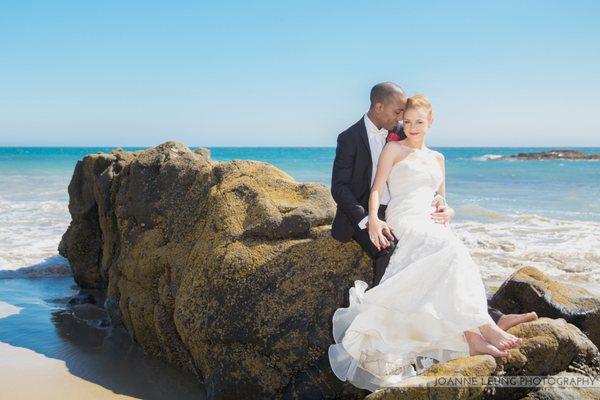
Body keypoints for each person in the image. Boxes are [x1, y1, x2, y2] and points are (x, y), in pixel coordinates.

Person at [328, 94, 538, 392]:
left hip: (430, 219)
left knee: (456, 251)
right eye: (407, 121)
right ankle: (486, 327)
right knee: (449, 249)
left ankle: (473, 333)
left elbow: (441, 197)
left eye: (419, 122)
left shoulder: (438, 158)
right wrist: (373, 218)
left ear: (431, 122)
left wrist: (448, 209)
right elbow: (375, 190)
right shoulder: (393, 148)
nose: (412, 126)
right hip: (403, 215)